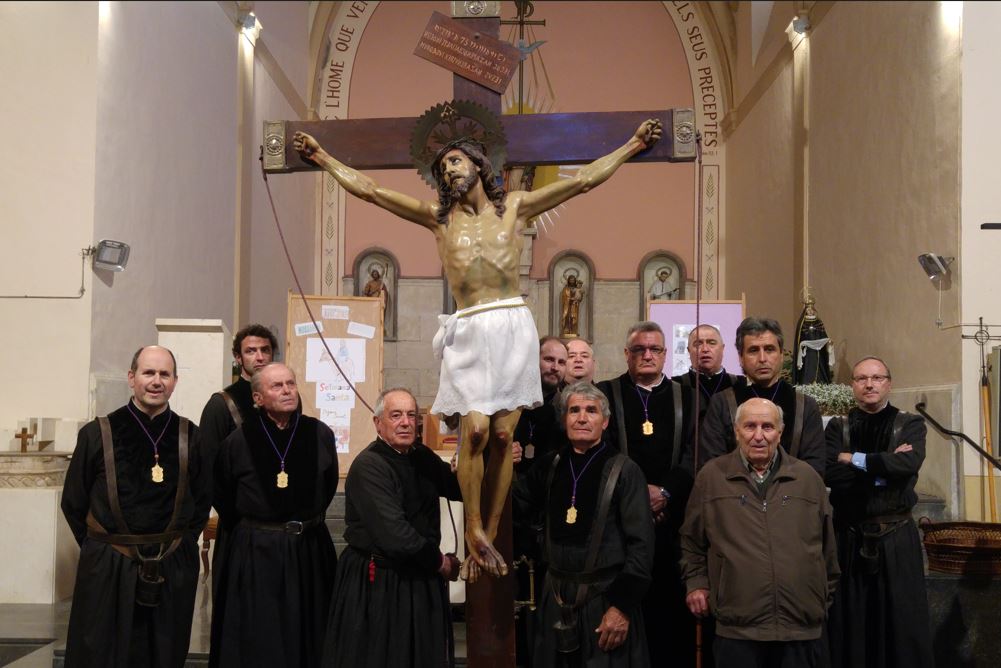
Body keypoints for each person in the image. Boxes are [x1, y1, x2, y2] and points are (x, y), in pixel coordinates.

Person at [294, 118, 662, 576]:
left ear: (479, 165)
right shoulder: (439, 218)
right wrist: (324, 158)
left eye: (455, 161)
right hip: (469, 325)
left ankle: (487, 533)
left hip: (511, 322)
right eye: (443, 166)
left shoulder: (517, 209)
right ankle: (472, 526)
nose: (448, 171)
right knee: (475, 433)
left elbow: (584, 180)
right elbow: (371, 190)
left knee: (505, 436)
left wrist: (631, 144)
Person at [61, 345, 210, 668]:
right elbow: (73, 501)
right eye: (148, 373)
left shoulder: (190, 436)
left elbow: (201, 499)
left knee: (164, 653)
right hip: (109, 565)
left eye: (164, 374)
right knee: (101, 652)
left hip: (170, 565)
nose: (156, 381)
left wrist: (180, 545)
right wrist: (101, 550)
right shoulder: (97, 433)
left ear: (174, 381)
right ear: (132, 378)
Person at [682, 398, 839, 668]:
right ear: (736, 431)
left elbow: (828, 549)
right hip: (738, 627)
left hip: (800, 628)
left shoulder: (807, 478)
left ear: (780, 432)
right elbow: (692, 541)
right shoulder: (712, 477)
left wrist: (819, 597)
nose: (758, 436)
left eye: (767, 427)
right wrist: (697, 584)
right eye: (749, 426)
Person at [515, 382, 655, 667]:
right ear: (564, 419)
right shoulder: (549, 465)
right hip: (554, 600)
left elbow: (642, 546)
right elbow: (514, 506)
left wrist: (621, 607)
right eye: (574, 410)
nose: (581, 417)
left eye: (591, 411)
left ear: (604, 421)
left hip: (604, 601)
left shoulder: (625, 471)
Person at [209, 363, 338, 667]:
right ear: (258, 398)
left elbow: (328, 484)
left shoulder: (318, 433)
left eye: (290, 384)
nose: (286, 390)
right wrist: (257, 530)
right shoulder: (239, 441)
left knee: (310, 633)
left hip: (308, 548)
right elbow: (222, 492)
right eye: (276, 386)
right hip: (257, 551)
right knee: (260, 636)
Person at [324, 388, 462, 668]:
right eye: (395, 415)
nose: (405, 422)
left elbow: (458, 489)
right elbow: (396, 535)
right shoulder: (369, 466)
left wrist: (488, 458)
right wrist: (441, 563)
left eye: (412, 415)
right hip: (382, 581)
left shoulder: (420, 455)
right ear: (378, 423)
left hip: (418, 576)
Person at [596, 321, 695, 667]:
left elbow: (694, 453)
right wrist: (639, 498)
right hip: (621, 524)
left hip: (673, 523)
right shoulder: (605, 394)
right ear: (627, 354)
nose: (647, 355)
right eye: (639, 350)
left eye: (655, 350)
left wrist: (666, 491)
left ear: (666, 355)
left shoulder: (688, 395)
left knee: (669, 619)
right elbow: (601, 451)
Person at [824, 357, 933, 668]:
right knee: (852, 623)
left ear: (889, 383)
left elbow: (908, 465)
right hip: (849, 537)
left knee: (902, 624)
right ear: (852, 386)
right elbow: (830, 474)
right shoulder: (837, 427)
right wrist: (884, 467)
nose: (869, 384)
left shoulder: (910, 424)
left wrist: (853, 459)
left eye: (876, 378)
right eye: (861, 378)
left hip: (896, 539)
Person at [700, 317, 825, 476]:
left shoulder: (805, 406)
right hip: (735, 496)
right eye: (753, 350)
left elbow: (814, 468)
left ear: (781, 354)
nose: (762, 359)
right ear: (740, 358)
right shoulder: (722, 403)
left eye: (769, 349)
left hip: (791, 496)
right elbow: (712, 465)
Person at [199, 324, 277, 464]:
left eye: (265, 350)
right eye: (251, 351)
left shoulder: (286, 397)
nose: (260, 357)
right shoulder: (221, 403)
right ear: (238, 357)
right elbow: (208, 461)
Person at [672, 324, 741, 424]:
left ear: (722, 348)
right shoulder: (675, 386)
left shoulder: (739, 384)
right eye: (698, 344)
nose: (705, 349)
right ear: (688, 351)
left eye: (711, 343)